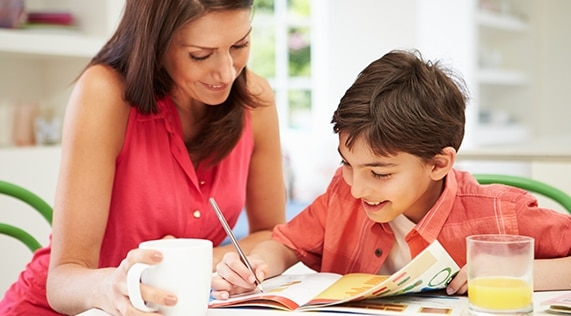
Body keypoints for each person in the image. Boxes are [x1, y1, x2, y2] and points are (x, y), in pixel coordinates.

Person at [211, 49, 571, 300]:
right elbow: (286, 244)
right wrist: (257, 267)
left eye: (379, 173)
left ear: (439, 164)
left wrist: (523, 271)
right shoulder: (342, 195)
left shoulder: (499, 214)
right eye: (347, 164)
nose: (357, 188)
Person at [0, 0, 286, 315]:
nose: (226, 72)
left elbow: (271, 235)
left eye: (239, 45)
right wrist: (107, 286)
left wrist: (207, 260)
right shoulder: (105, 92)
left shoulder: (255, 100)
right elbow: (63, 279)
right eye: (200, 55)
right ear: (156, 44)